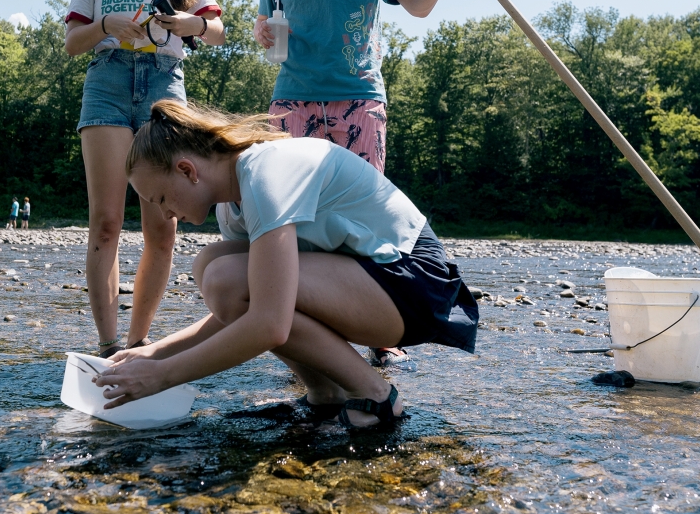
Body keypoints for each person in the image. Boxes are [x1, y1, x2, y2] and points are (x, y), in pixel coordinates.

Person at [95, 100, 478, 428]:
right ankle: (325, 394)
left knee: (224, 276)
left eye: (160, 198)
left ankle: (375, 396)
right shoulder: (233, 206)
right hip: (378, 286)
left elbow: (269, 323)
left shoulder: (264, 172)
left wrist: (162, 376)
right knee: (212, 265)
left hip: (416, 283)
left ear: (187, 170)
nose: (163, 213)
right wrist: (155, 351)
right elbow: (244, 306)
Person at [252, 0, 462, 367]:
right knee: (290, 219)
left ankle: (378, 330)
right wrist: (261, 33)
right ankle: (309, 328)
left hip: (356, 97)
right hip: (292, 99)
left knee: (363, 219)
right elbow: (269, 36)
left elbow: (419, 5)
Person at [64, 0, 226, 358]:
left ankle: (139, 342)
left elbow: (216, 31)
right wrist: (105, 25)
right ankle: (109, 344)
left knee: (162, 224)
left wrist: (188, 23)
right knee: (107, 221)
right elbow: (72, 44)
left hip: (163, 82)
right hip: (107, 84)